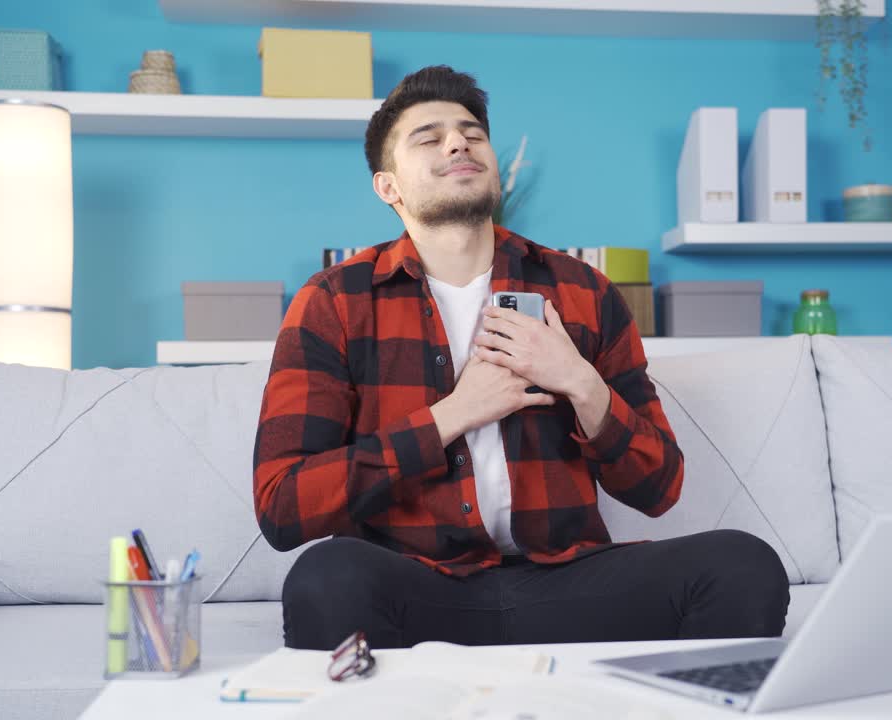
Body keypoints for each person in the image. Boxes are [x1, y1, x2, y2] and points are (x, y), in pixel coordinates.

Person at [253, 65, 789, 650]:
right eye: (428, 138)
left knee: (742, 564)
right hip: (419, 586)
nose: (459, 141)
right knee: (325, 578)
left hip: (565, 584)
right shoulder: (335, 301)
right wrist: (452, 416)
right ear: (389, 187)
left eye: (472, 133)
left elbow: (659, 488)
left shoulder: (582, 291)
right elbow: (283, 507)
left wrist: (582, 385)